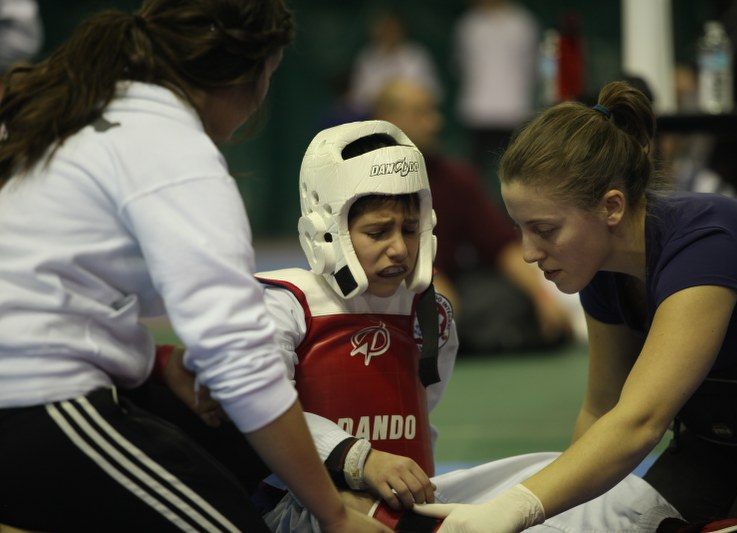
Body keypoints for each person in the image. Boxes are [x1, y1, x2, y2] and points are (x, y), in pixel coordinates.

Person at [0, 1, 390, 531]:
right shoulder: (169, 148)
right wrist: (333, 515)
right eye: (271, 76)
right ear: (248, 74)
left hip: (27, 387)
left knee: (225, 442)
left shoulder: (83, 108)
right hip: (31, 401)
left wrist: (161, 364)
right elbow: (241, 363)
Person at [253, 119, 679, 532]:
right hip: (307, 503)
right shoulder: (288, 302)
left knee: (591, 489)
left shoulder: (429, 315)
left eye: (410, 228)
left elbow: (424, 404)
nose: (399, 247)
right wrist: (360, 459)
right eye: (378, 231)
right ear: (326, 231)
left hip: (409, 499)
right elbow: (264, 409)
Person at [412, 80, 737, 532]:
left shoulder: (705, 249)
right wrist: (553, 517)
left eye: (545, 229)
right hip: (724, 440)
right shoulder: (600, 269)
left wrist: (514, 508)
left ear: (611, 207)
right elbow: (602, 411)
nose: (528, 252)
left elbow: (640, 421)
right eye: (519, 228)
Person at [371, 77, 579, 351]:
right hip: (387, 289)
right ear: (387, 120)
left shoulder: (456, 178)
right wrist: (425, 279)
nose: (435, 123)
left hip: (454, 297)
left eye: (433, 112)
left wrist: (543, 298)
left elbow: (501, 246)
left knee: (503, 298)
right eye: (421, 114)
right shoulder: (361, 182)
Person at [452, 0, 540, 197]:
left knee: (517, 174)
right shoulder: (468, 24)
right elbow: (462, 64)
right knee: (474, 176)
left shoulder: (522, 23)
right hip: (478, 110)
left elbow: (531, 66)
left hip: (513, 110)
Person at [348, 7, 441, 118]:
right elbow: (358, 98)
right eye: (385, 28)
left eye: (393, 28)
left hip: (412, 117)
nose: (389, 32)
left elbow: (432, 91)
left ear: (401, 29)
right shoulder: (367, 57)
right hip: (374, 117)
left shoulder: (416, 55)